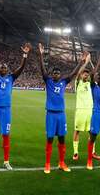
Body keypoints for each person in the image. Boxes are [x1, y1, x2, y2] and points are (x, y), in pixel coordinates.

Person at [37, 43, 89, 174]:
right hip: (51, 114)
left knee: (61, 139)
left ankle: (61, 163)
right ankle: (47, 164)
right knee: (49, 139)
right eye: (54, 73)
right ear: (52, 74)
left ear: (60, 75)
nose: (56, 74)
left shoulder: (63, 82)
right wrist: (41, 55)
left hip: (61, 114)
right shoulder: (48, 81)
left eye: (58, 73)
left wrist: (81, 62)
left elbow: (73, 73)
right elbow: (43, 70)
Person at [0, 41, 31, 172]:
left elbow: (21, 68)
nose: (3, 69)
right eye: (1, 67)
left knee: (6, 136)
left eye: (5, 68)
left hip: (6, 110)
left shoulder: (11, 78)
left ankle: (6, 161)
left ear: (7, 70)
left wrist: (25, 56)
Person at [72, 65, 97, 161]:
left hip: (90, 110)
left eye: (87, 75)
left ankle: (92, 152)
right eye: (84, 74)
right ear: (81, 75)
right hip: (80, 110)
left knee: (92, 132)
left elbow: (93, 73)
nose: (86, 76)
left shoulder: (90, 84)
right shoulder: (78, 83)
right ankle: (75, 152)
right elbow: (78, 74)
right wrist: (86, 62)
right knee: (77, 131)